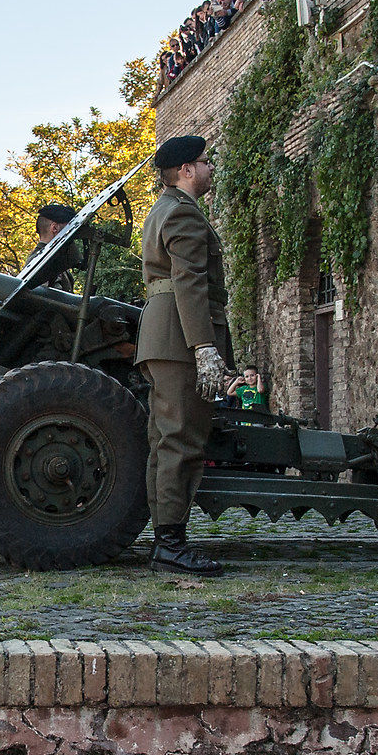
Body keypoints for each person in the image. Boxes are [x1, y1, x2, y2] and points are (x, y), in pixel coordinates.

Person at [134, 135, 230, 576]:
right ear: (187, 170)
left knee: (163, 440)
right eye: (205, 162)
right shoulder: (185, 214)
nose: (211, 169)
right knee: (182, 440)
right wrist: (204, 345)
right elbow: (190, 281)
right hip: (180, 337)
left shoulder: (159, 210)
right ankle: (171, 543)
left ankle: (164, 539)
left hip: (160, 335)